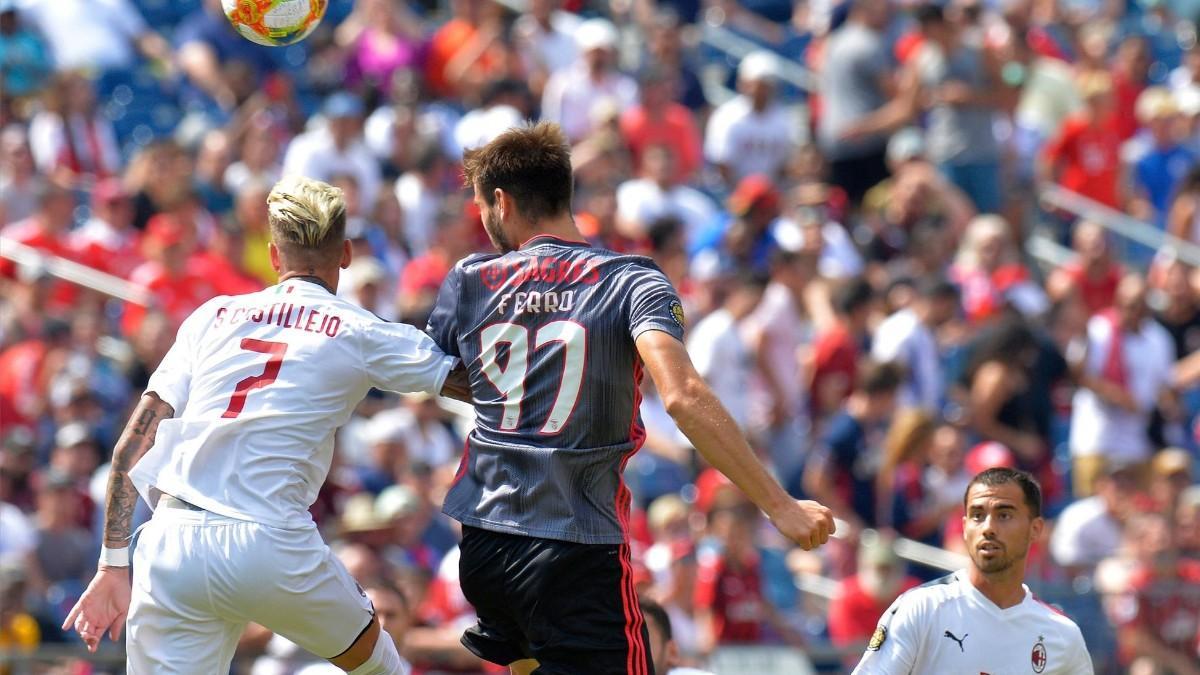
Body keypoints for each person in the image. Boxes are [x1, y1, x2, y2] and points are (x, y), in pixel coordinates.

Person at [425, 122, 834, 674]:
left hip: (483, 544)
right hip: (575, 547)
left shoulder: (469, 278)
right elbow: (684, 396)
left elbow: (437, 371)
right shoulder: (630, 280)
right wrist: (779, 504)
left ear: (500, 202)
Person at [61, 176, 465, 674]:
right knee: (382, 665)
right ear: (346, 254)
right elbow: (469, 383)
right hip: (269, 542)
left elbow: (131, 445)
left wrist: (111, 565)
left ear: (274, 256)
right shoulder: (360, 329)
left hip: (174, 541)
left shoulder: (213, 315)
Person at [852, 467, 1093, 674]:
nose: (988, 528)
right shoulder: (921, 609)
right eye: (977, 516)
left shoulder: (1062, 636)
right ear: (965, 527)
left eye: (1004, 515)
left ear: (1035, 529)